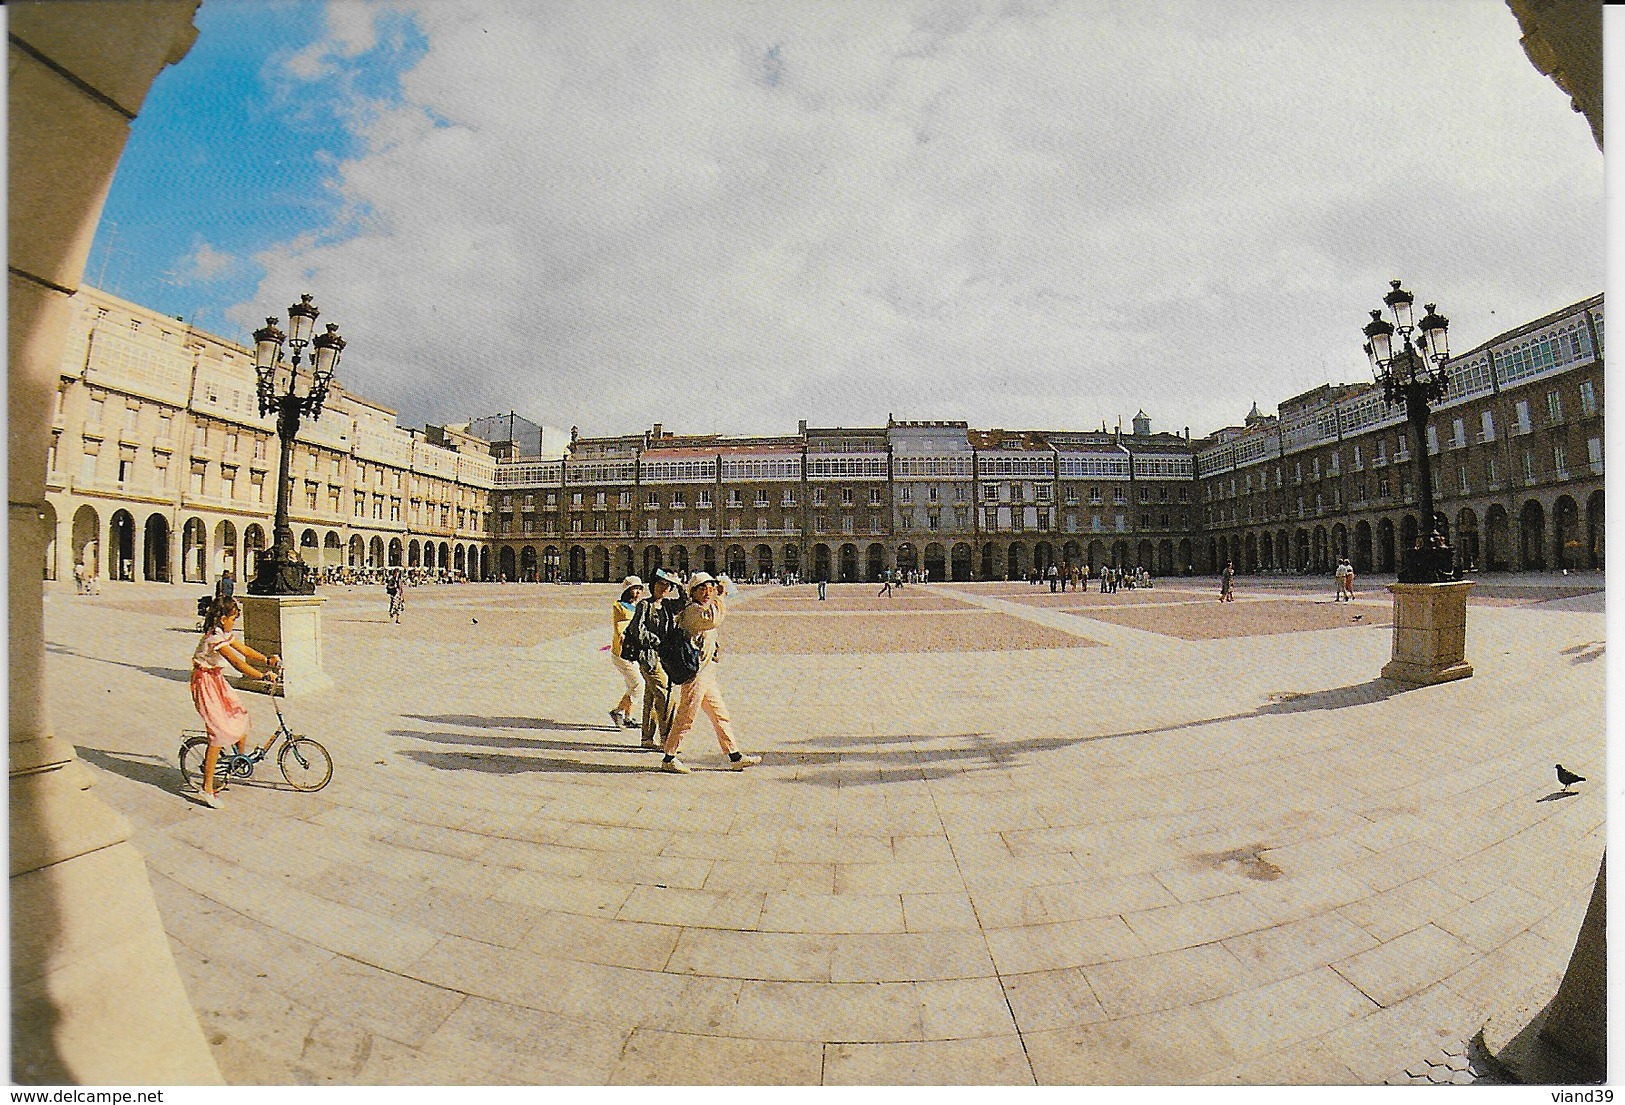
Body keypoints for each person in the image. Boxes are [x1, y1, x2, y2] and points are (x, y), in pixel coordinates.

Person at [661, 572, 760, 774]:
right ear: (693, 592)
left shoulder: (701, 608)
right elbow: (713, 620)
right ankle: (669, 757)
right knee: (686, 716)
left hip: (707, 673)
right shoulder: (693, 611)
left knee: (720, 714)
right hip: (695, 675)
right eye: (702, 589)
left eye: (710, 589)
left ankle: (734, 755)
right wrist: (720, 597)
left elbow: (708, 634)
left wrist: (714, 649)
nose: (707, 593)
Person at [189, 597, 279, 809]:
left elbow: (244, 651)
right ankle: (207, 788)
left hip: (216, 679)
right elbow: (236, 662)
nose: (234, 622)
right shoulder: (214, 638)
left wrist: (267, 660)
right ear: (222, 619)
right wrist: (262, 676)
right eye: (233, 619)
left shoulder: (224, 633)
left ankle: (239, 759)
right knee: (218, 732)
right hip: (204, 683)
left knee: (240, 714)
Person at [630, 569, 684, 750]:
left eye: (667, 585)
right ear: (652, 585)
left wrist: (678, 584)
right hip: (649, 657)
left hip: (664, 657)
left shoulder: (668, 606)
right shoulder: (644, 606)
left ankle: (646, 738)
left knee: (652, 697)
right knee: (665, 696)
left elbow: (685, 602)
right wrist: (656, 640)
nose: (663, 588)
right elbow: (636, 630)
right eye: (660, 584)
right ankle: (668, 740)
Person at [608, 576, 646, 729]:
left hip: (635, 652)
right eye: (634, 589)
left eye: (639, 589)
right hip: (623, 652)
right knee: (638, 685)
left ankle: (628, 717)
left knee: (631, 684)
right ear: (627, 590)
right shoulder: (620, 606)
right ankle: (618, 711)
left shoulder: (639, 606)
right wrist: (625, 637)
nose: (637, 592)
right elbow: (619, 627)